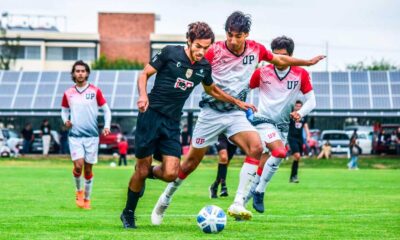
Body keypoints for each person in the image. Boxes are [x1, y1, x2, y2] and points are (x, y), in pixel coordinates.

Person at [152, 12, 325, 224]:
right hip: (211, 112)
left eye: (238, 36)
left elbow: (280, 59)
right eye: (229, 34)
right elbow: (191, 63)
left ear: (247, 35)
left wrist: (307, 62)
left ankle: (238, 202)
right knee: (189, 165)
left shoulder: (256, 49)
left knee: (256, 146)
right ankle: (164, 200)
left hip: (235, 114)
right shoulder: (214, 50)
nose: (233, 40)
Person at [120, 21, 255, 229]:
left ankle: (144, 173)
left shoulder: (203, 67)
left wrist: (237, 101)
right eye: (198, 46)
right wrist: (143, 96)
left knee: (171, 173)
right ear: (189, 41)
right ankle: (128, 213)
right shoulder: (170, 53)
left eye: (206, 47)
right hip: (150, 116)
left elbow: (213, 90)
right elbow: (144, 74)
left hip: (172, 122)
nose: (202, 51)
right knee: (141, 169)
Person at [243, 36, 317, 214]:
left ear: (291, 56)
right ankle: (260, 192)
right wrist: (244, 109)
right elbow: (243, 90)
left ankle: (241, 204)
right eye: (275, 55)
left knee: (267, 165)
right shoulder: (262, 71)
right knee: (280, 152)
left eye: (283, 56)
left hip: (282, 126)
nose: (279, 59)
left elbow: (312, 101)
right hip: (263, 121)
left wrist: (300, 113)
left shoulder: (301, 74)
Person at [61, 60, 111, 210]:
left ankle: (87, 199)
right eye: (77, 71)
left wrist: (107, 126)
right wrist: (66, 120)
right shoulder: (68, 93)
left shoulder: (95, 91)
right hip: (75, 136)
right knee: (78, 166)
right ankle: (79, 192)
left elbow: (106, 110)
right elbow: (63, 110)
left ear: (87, 73)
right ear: (73, 74)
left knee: (88, 170)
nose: (80, 73)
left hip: (92, 137)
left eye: (83, 71)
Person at [288, 100, 310, 183]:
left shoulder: (303, 115)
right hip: (292, 138)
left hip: (300, 139)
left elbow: (305, 126)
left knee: (298, 158)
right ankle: (294, 176)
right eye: (296, 106)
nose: (298, 108)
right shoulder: (291, 115)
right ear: (294, 107)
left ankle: (293, 176)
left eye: (299, 106)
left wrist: (308, 136)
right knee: (297, 156)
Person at [209, 134, 237, 198]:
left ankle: (214, 186)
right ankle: (223, 186)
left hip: (233, 137)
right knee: (224, 157)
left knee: (225, 164)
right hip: (221, 135)